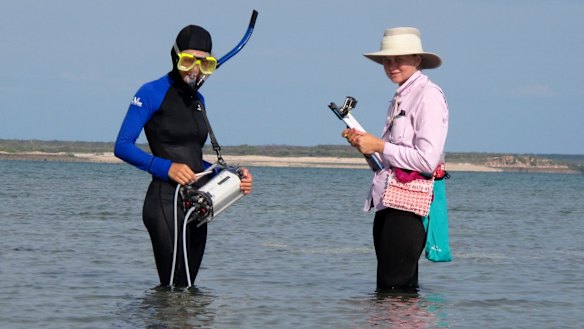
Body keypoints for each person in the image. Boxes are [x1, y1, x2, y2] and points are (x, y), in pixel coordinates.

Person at [114, 25, 253, 287]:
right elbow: (122, 145)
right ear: (175, 57)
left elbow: (194, 160)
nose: (195, 69)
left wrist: (232, 176)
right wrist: (164, 167)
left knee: (187, 289)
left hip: (196, 204)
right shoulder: (151, 92)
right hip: (164, 201)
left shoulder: (198, 100)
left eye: (205, 63)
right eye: (188, 60)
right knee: (172, 290)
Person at [342, 27, 448, 291]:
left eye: (398, 58)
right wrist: (366, 148)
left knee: (393, 292)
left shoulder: (428, 96)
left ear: (417, 59)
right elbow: (390, 162)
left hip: (409, 210)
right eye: (386, 60)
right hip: (387, 204)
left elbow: (427, 160)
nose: (391, 65)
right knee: (394, 294)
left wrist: (379, 145)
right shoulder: (400, 97)